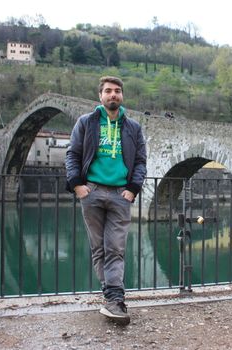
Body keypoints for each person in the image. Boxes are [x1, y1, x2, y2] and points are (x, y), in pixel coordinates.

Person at [65, 76, 147, 325]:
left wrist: (133, 188)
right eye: (108, 91)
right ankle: (113, 298)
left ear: (122, 96)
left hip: (121, 194)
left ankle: (114, 299)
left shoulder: (133, 127)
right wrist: (77, 185)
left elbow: (141, 160)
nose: (113, 95)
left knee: (115, 248)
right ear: (100, 96)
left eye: (118, 91)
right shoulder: (86, 122)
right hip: (92, 192)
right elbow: (73, 154)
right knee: (99, 248)